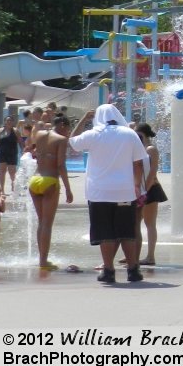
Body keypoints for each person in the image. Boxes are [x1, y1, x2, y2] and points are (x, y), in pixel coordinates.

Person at [68, 105, 147, 284]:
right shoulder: (129, 134)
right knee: (127, 231)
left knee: (105, 232)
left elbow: (72, 141)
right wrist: (136, 186)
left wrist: (84, 120)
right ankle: (133, 270)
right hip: (125, 191)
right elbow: (138, 164)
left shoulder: (94, 134)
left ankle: (109, 270)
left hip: (99, 192)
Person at [29, 113, 74, 269]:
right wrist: (68, 189)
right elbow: (61, 165)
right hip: (50, 181)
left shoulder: (40, 134)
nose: (67, 133)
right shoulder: (61, 140)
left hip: (35, 180)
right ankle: (43, 262)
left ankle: (41, 259)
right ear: (62, 124)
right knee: (47, 224)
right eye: (67, 129)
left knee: (41, 223)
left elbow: (31, 148)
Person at [134, 124, 165, 266]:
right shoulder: (138, 148)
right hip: (139, 190)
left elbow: (153, 172)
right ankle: (134, 254)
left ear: (141, 133)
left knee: (149, 223)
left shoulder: (151, 149)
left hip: (150, 189)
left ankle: (150, 256)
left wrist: (144, 191)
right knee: (135, 223)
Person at [0, 115, 19, 193]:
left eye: (10, 120)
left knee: (12, 171)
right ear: (4, 122)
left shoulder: (15, 131)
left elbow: (20, 142)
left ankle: (13, 184)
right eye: (7, 120)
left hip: (12, 153)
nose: (9, 122)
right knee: (2, 171)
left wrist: (23, 150)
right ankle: (2, 189)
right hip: (1, 153)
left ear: (13, 122)